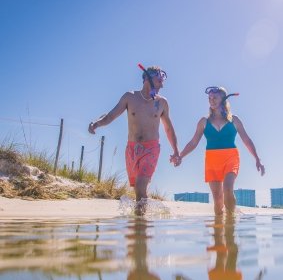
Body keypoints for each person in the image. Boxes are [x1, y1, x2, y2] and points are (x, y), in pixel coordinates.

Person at [88, 64, 179, 212]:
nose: (162, 84)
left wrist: (176, 151)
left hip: (152, 148)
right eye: (159, 80)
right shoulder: (130, 97)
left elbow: (168, 128)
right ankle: (141, 219)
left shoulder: (162, 103)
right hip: (132, 148)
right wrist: (96, 123)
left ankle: (141, 225)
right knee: (137, 188)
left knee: (141, 185)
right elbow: (111, 115)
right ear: (147, 79)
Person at [175, 86, 265, 215]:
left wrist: (257, 158)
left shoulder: (234, 120)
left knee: (228, 189)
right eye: (209, 98)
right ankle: (218, 232)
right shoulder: (204, 122)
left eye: (215, 98)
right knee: (217, 200)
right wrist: (181, 156)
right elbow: (194, 142)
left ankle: (231, 221)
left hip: (231, 157)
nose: (211, 100)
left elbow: (246, 139)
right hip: (212, 160)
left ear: (224, 99)